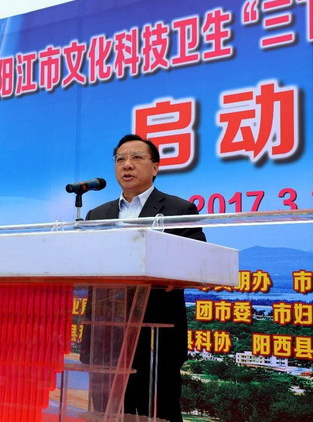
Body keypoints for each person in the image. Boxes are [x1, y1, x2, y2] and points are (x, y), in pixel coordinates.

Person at [85, 134, 205, 422]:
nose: (127, 165)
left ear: (155, 167)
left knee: (159, 413)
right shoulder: (96, 214)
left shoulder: (178, 209)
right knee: (106, 414)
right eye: (120, 159)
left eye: (137, 157)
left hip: (156, 336)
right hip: (106, 337)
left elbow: (195, 262)